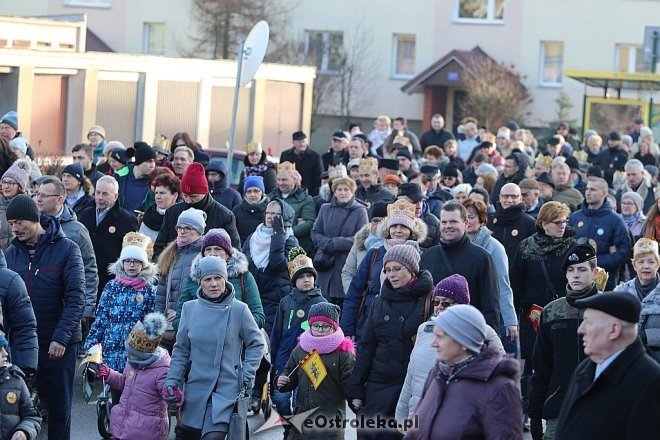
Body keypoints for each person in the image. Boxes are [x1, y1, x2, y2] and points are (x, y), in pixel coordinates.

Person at [4, 194, 85, 439]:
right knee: (20, 412)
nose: (15, 228)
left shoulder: (67, 249)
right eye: (11, 223)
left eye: (20, 222)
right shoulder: (10, 254)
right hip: (24, 344)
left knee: (59, 411)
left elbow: (76, 298)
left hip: (59, 344)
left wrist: (60, 339)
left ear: (34, 219)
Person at [163, 256, 265, 439]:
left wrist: (245, 375)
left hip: (226, 391)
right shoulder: (189, 309)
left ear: (225, 280)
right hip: (195, 390)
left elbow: (257, 343)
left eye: (218, 278)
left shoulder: (239, 309)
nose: (214, 284)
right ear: (199, 283)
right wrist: (172, 380)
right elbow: (181, 351)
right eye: (207, 279)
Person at [348, 244, 434, 440]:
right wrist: (356, 387)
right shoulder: (380, 301)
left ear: (412, 269)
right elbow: (368, 346)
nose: (391, 274)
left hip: (411, 385)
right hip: (379, 383)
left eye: (397, 269)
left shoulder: (430, 299)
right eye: (387, 270)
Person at [395, 275, 504, 426]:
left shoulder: (483, 333)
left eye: (445, 303)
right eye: (436, 302)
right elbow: (411, 375)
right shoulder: (424, 330)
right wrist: (401, 414)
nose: (439, 307)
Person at [404, 305, 522, 440]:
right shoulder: (437, 374)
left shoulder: (499, 388)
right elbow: (414, 431)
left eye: (440, 337)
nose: (433, 344)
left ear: (463, 342)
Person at [555, 292, 660, 439]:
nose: (580, 329)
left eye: (588, 322)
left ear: (613, 330)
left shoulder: (649, 382)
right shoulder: (585, 368)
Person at [509, 201, 576, 426]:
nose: (562, 226)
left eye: (565, 222)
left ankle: (561, 409)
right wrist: (515, 316)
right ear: (543, 223)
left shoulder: (572, 246)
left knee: (562, 361)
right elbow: (516, 284)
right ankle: (530, 412)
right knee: (532, 363)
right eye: (557, 222)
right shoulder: (526, 247)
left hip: (565, 314)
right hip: (533, 316)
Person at [528, 243, 600, 440]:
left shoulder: (607, 307)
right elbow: (541, 366)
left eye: (582, 269)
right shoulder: (551, 312)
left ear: (594, 273)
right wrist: (534, 414)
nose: (576, 275)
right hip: (559, 408)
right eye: (571, 270)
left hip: (600, 408)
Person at [340, 200, 427, 343]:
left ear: (411, 230)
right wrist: (348, 328)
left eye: (403, 227)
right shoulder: (374, 254)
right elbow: (354, 292)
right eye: (394, 226)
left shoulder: (421, 256)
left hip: (403, 325)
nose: (398, 230)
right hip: (369, 323)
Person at [84, 240, 157, 396]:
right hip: (111, 347)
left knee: (135, 393)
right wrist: (92, 343)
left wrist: (149, 347)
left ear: (143, 265)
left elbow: (151, 321)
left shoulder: (148, 290)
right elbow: (102, 316)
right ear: (122, 263)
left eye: (136, 262)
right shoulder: (111, 286)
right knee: (115, 391)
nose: (131, 265)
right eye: (128, 261)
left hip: (135, 350)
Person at [269, 247, 328, 434]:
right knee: (280, 399)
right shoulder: (286, 302)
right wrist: (273, 358)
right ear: (294, 280)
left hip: (311, 360)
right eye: (301, 277)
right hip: (285, 359)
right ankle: (288, 429)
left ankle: (297, 434)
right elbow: (277, 332)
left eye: (309, 276)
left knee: (303, 402)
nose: (306, 280)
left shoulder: (322, 303)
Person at [277, 303, 355, 440]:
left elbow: (349, 383)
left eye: (326, 326)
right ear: (310, 326)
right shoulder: (301, 349)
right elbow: (289, 373)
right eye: (316, 325)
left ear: (334, 327)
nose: (320, 330)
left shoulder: (343, 353)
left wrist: (355, 398)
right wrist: (282, 380)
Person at [35, 177, 99, 345]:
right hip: (40, 305)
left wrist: (87, 308)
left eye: (44, 195)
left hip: (66, 308)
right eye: (37, 194)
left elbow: (89, 270)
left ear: (60, 199)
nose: (38, 199)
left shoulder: (76, 230)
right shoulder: (33, 225)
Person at [419, 202, 501, 333]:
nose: (448, 226)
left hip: (467, 334)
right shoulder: (428, 255)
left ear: (466, 223)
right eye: (444, 222)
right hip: (432, 333)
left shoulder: (482, 258)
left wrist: (488, 343)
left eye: (453, 221)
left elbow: (491, 306)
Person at [95, 313, 172, 440]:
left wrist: (172, 393)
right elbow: (124, 382)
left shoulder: (162, 369)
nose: (129, 357)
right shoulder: (133, 363)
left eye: (133, 355)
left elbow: (169, 396)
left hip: (147, 431)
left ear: (144, 355)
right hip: (125, 424)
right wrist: (109, 374)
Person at [174, 228, 265, 332]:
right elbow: (178, 321)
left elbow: (258, 316)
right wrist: (201, 328)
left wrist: (232, 328)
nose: (212, 253)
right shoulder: (193, 279)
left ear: (227, 253)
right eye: (208, 249)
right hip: (201, 344)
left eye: (217, 249)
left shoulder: (243, 277)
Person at [464, 199, 518, 352]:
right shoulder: (455, 245)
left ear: (482, 220)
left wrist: (510, 320)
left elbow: (503, 284)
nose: (468, 221)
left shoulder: (494, 247)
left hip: (488, 312)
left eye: (472, 217)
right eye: (465, 217)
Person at [153, 163, 240, 257]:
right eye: (185, 196)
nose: (189, 201)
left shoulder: (225, 216)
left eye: (193, 196)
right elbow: (160, 247)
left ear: (204, 192)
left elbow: (233, 252)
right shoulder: (173, 212)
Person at [243, 198, 298, 334]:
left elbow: (277, 264)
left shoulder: (290, 240)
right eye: (268, 213)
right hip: (254, 297)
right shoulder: (253, 237)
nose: (270, 216)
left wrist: (279, 234)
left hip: (276, 299)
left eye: (275, 214)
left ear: (284, 217)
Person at [79, 176, 139, 300]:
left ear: (115, 196)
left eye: (105, 194)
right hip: (85, 276)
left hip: (111, 280)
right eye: (98, 193)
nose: (100, 197)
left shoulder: (127, 220)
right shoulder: (85, 214)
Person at [311, 176, 368, 305]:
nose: (342, 193)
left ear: (352, 192)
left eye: (346, 189)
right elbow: (315, 232)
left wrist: (335, 243)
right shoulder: (325, 208)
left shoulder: (360, 211)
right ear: (334, 191)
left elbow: (361, 237)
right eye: (339, 189)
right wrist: (327, 244)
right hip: (325, 264)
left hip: (347, 264)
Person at [155, 208, 205, 350]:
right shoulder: (170, 254)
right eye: (180, 227)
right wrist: (158, 320)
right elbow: (161, 293)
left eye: (188, 228)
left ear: (198, 231)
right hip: (168, 326)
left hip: (193, 324)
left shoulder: (204, 255)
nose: (182, 231)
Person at [569, 177, 631, 289]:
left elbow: (624, 251)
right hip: (575, 278)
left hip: (604, 281)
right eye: (587, 189)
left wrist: (596, 262)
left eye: (593, 190)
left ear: (604, 193)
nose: (588, 192)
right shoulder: (575, 217)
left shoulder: (615, 221)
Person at [268, 161, 316, 256]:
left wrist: (289, 231)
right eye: (278, 180)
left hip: (295, 248)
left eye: (284, 180)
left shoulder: (306, 199)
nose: (281, 183)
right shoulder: (270, 197)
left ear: (294, 180)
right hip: (271, 245)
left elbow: (309, 223)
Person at [0, 331, 41, 440]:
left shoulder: (16, 381)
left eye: (4, 348)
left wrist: (23, 431)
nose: (5, 353)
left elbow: (32, 416)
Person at [341, 202, 387, 294]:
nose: (379, 225)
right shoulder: (361, 242)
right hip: (362, 299)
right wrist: (353, 294)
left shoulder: (394, 244)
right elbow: (347, 273)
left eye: (383, 221)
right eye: (375, 220)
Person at [487, 182, 536, 265]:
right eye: (505, 196)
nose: (509, 200)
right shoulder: (490, 222)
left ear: (520, 198)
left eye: (514, 196)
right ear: (500, 197)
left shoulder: (530, 224)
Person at [115, 141, 157, 213]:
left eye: (154, 161)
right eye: (149, 161)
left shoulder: (154, 181)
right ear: (139, 162)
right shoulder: (119, 176)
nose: (152, 165)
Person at [279, 131, 324, 196]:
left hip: (309, 192)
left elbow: (319, 177)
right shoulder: (285, 155)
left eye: (304, 142)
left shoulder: (315, 156)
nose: (302, 144)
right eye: (299, 142)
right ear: (293, 143)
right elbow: (281, 173)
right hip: (289, 191)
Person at [139, 173, 180, 243]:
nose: (157, 197)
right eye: (156, 193)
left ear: (175, 195)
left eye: (162, 193)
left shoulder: (180, 217)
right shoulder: (148, 216)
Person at [0, 160, 31, 250]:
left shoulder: (28, 206)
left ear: (20, 186)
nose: (6, 186)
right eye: (4, 182)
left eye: (10, 183)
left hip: (18, 257)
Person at [232, 176, 270, 245]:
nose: (252, 195)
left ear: (262, 192)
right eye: (249, 191)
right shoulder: (237, 211)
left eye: (256, 191)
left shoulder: (270, 210)